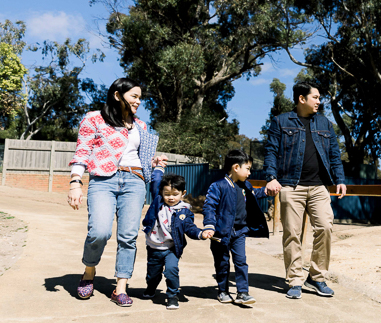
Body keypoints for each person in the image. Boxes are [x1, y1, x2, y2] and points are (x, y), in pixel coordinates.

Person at [67, 77, 160, 307]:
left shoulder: (141, 126)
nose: (138, 101)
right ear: (118, 95)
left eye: (140, 97)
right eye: (134, 96)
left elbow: (141, 158)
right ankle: (89, 271)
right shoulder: (94, 118)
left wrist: (154, 163)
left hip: (134, 181)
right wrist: (75, 182)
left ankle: (120, 288)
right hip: (103, 180)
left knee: (128, 236)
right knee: (99, 231)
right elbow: (82, 151)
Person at [263, 80, 346, 300]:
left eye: (319, 98)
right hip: (291, 185)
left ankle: (316, 277)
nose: (319, 101)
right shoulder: (281, 121)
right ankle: (295, 280)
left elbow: (334, 154)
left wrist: (339, 178)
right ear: (302, 98)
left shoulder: (325, 123)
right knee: (292, 234)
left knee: (325, 227)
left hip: (319, 186)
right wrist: (271, 177)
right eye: (315, 97)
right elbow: (271, 151)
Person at [202, 149, 269, 305]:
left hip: (240, 231)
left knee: (241, 262)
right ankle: (223, 291)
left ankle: (242, 293)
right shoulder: (218, 186)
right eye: (248, 168)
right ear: (236, 167)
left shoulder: (246, 185)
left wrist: (266, 191)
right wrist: (209, 225)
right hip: (220, 233)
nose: (250, 172)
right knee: (222, 263)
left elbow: (254, 194)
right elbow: (209, 206)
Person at [141, 164, 209, 309]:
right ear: (161, 192)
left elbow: (189, 227)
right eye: (167, 194)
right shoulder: (158, 202)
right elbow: (156, 183)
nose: (170, 197)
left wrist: (200, 233)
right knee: (152, 274)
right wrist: (158, 168)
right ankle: (151, 288)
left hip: (171, 248)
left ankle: (172, 296)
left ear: (183, 193)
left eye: (175, 194)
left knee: (171, 270)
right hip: (153, 247)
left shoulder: (184, 211)